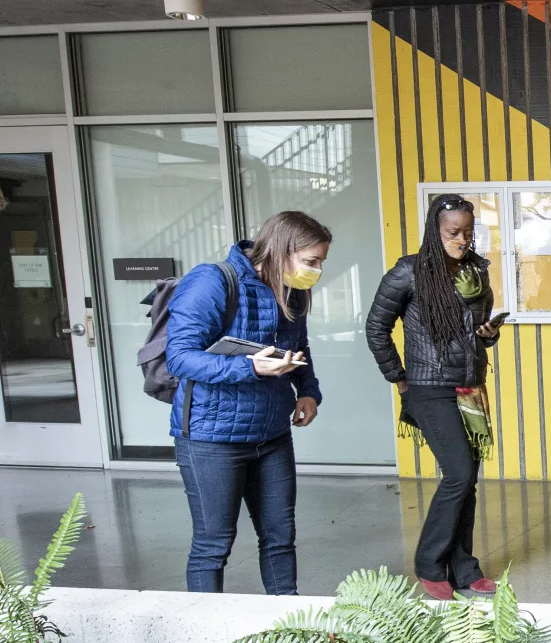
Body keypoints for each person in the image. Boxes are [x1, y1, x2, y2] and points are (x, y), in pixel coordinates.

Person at [166, 210, 330, 595]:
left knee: (280, 538)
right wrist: (250, 367)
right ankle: (205, 641)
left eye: (320, 261)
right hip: (211, 439)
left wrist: (307, 390)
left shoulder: (293, 288)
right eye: (311, 261)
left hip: (272, 434)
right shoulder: (212, 282)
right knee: (213, 545)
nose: (317, 270)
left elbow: (298, 347)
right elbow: (180, 357)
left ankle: (289, 632)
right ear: (280, 250)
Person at [366, 194, 505, 600]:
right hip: (427, 386)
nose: (462, 240)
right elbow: (376, 328)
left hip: (469, 386)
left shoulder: (475, 270)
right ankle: (429, 564)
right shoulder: (408, 272)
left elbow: (477, 327)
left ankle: (464, 568)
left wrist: (489, 335)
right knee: (459, 473)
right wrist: (400, 379)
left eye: (468, 232)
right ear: (435, 230)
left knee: (468, 482)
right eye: (453, 233)